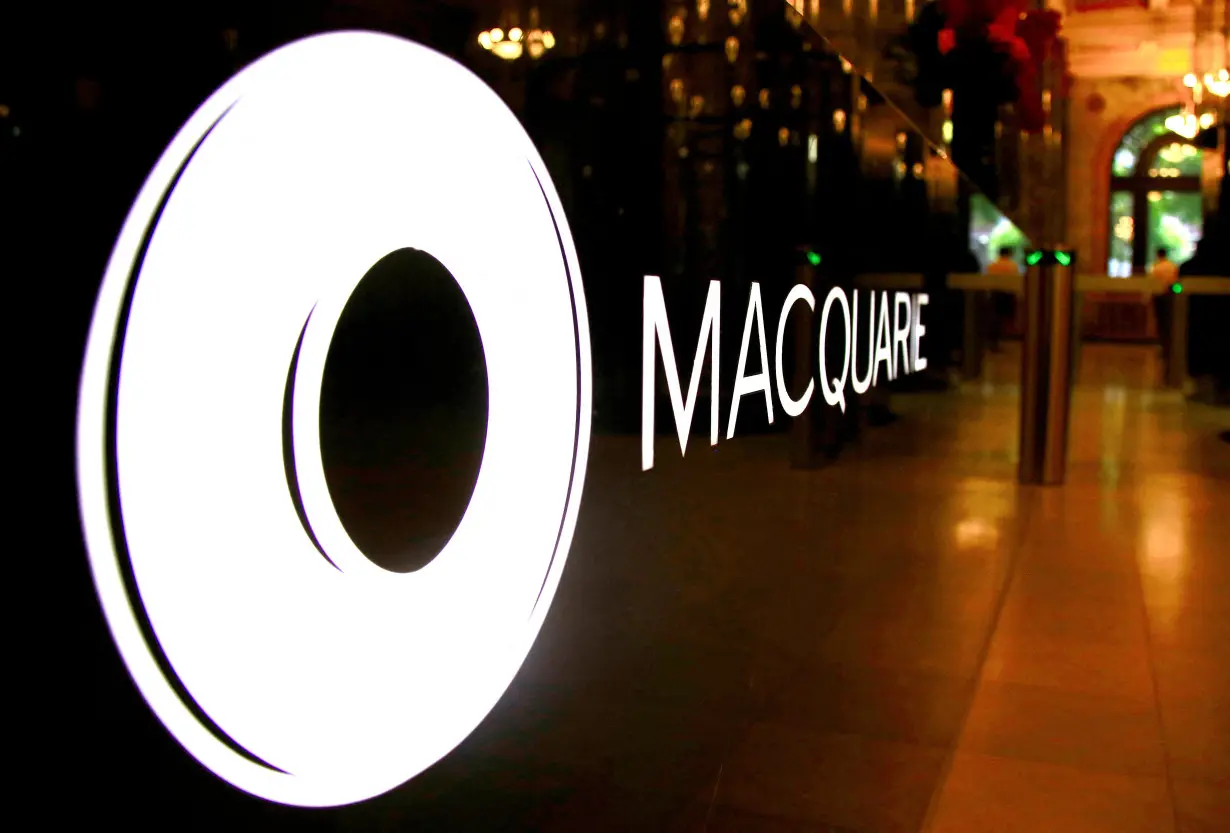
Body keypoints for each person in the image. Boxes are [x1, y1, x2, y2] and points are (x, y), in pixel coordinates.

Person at [984, 246, 1020, 352]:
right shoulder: (1012, 266)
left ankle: (993, 341)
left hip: (995, 294)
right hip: (1007, 294)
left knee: (995, 318)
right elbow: (1014, 281)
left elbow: (988, 281)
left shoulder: (992, 266)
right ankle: (1002, 339)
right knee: (1005, 319)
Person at [1151, 248, 1179, 366]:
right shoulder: (1172, 266)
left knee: (1161, 322)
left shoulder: (1156, 268)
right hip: (1170, 297)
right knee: (1170, 321)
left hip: (1159, 297)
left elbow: (1152, 283)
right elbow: (1176, 282)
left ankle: (1163, 345)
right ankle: (1170, 345)